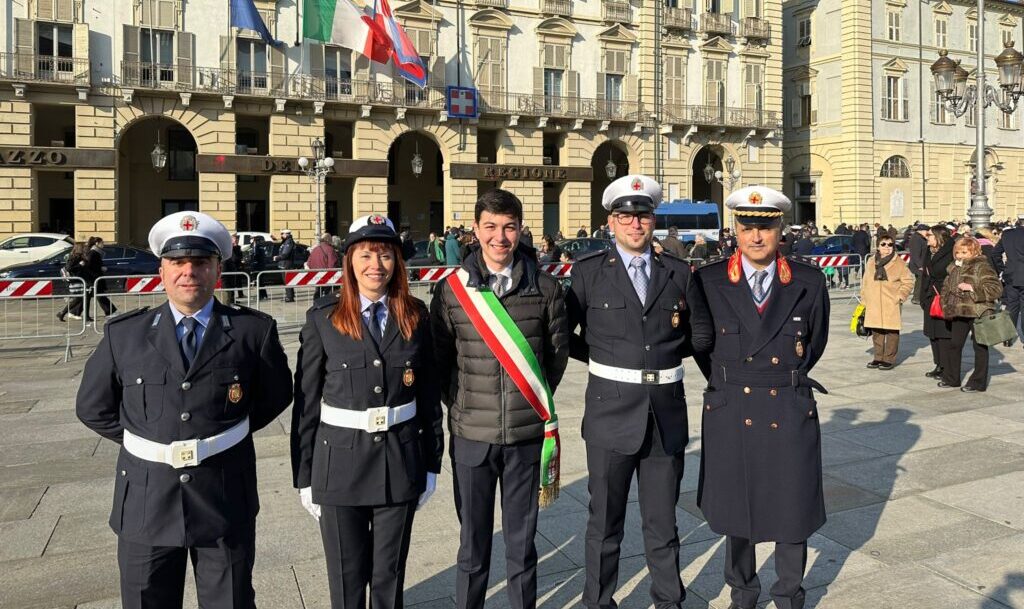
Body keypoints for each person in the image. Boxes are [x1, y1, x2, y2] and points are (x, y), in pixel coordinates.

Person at [76, 211, 293, 609]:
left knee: (230, 601)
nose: (188, 272)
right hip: (146, 498)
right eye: (178, 262)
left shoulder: (252, 332)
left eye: (200, 263)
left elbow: (275, 395)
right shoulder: (124, 335)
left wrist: (219, 435)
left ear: (217, 270)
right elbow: (92, 406)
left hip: (224, 494)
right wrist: (152, 442)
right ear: (162, 270)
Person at [566, 174, 712, 609]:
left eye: (643, 216)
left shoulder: (679, 272)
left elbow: (699, 334)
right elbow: (565, 333)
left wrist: (663, 356)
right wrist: (607, 359)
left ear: (653, 221)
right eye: (625, 217)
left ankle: (669, 600)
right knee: (605, 522)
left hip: (664, 416)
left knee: (662, 522)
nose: (635, 225)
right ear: (610, 223)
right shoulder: (589, 272)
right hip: (611, 415)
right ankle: (598, 601)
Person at [291, 214, 444, 609]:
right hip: (338, 465)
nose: (375, 265)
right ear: (350, 262)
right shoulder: (322, 319)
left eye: (385, 255)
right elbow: (306, 404)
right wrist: (304, 475)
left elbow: (428, 397)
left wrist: (432, 463)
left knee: (388, 576)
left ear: (397, 263)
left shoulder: (415, 315)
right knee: (345, 577)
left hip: (400, 460)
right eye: (365, 255)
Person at [430, 189, 569, 609]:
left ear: (520, 228)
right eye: (490, 226)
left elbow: (556, 358)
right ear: (475, 231)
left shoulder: (545, 288)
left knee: (521, 545)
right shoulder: (452, 290)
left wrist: (530, 403)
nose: (499, 236)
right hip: (472, 437)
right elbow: (440, 360)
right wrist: (464, 405)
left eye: (508, 226)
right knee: (472, 547)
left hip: (526, 439)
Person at [694, 186, 829, 609]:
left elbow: (816, 343)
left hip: (787, 403)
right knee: (738, 507)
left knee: (793, 506)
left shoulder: (808, 281)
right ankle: (743, 593)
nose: (756, 237)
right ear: (734, 228)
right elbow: (702, 346)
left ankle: (789, 593)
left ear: (780, 228)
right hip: (733, 405)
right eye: (747, 227)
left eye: (766, 227)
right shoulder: (709, 280)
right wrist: (730, 381)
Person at [939, 235, 1003, 392]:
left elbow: (996, 289)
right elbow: (946, 287)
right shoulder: (954, 267)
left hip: (978, 312)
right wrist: (945, 302)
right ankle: (952, 378)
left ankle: (978, 382)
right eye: (958, 252)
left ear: (974, 252)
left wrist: (972, 289)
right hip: (959, 312)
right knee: (954, 345)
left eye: (964, 252)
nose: (960, 255)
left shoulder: (982, 266)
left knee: (980, 347)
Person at [860, 236, 914, 370]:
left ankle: (889, 359)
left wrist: (900, 296)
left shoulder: (899, 263)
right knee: (876, 331)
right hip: (873, 302)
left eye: (890, 245)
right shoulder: (871, 261)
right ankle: (878, 357)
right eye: (883, 244)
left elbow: (908, 281)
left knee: (891, 332)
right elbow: (866, 280)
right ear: (878, 246)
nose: (887, 247)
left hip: (891, 302)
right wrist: (864, 298)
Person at [919, 225, 955, 379]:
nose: (927, 238)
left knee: (943, 334)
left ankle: (947, 366)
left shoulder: (951, 251)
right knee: (932, 333)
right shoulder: (929, 251)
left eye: (930, 235)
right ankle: (938, 364)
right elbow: (925, 276)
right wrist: (922, 296)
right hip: (930, 296)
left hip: (943, 296)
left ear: (939, 237)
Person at [992, 214, 1024, 346]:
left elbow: (995, 254)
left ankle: (1007, 337)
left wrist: (1002, 269)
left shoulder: (1007, 234)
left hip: (1011, 274)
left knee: (1012, 306)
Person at [57, 241, 89, 322]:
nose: (85, 248)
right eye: (84, 247)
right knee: (78, 298)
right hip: (76, 280)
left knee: (79, 298)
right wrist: (80, 265)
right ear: (80, 248)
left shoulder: (80, 256)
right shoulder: (74, 257)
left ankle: (63, 313)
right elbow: (69, 268)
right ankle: (63, 312)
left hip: (79, 280)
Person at [307, 232, 341, 299]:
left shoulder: (315, 249)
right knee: (329, 294)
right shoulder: (330, 249)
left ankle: (316, 306)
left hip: (316, 275)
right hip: (327, 276)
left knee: (318, 292)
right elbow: (332, 264)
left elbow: (309, 263)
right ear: (328, 240)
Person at [908, 223, 930, 305]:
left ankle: (918, 297)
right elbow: (915, 254)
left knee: (921, 280)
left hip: (919, 264)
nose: (927, 233)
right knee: (920, 281)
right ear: (921, 231)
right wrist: (920, 265)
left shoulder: (920, 238)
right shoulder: (916, 239)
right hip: (918, 265)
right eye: (926, 231)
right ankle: (916, 298)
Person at [221, 233, 245, 306]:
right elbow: (234, 259)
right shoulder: (228, 248)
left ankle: (232, 300)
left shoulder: (237, 248)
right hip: (227, 270)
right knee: (227, 286)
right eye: (234, 239)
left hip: (234, 269)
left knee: (233, 285)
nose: (236, 240)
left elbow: (239, 256)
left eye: (237, 239)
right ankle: (228, 301)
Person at [275, 228, 298, 303]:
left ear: (286, 234)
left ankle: (289, 297)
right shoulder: (286, 241)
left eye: (282, 234)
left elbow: (285, 254)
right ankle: (289, 296)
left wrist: (277, 257)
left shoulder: (289, 242)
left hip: (287, 264)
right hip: (285, 264)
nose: (281, 235)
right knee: (287, 281)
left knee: (287, 281)